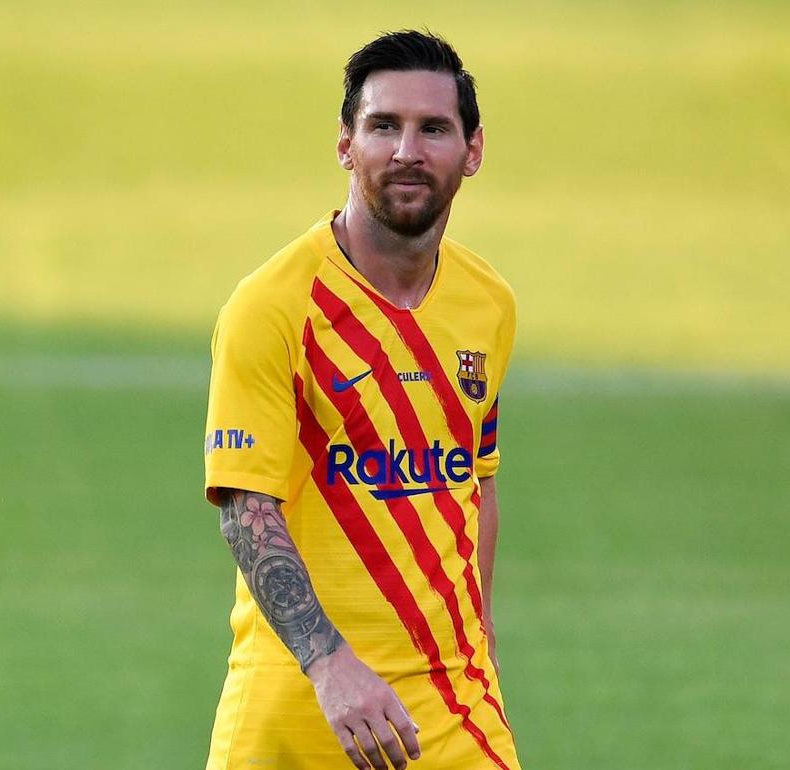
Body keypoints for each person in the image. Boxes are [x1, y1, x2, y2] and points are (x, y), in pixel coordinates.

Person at [203, 30, 520, 770]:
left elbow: (475, 480)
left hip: (451, 707)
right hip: (299, 703)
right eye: (384, 126)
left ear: (472, 150)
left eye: (432, 128)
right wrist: (330, 665)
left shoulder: (488, 302)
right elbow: (246, 508)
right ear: (346, 144)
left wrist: (483, 638)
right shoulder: (273, 307)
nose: (407, 150)